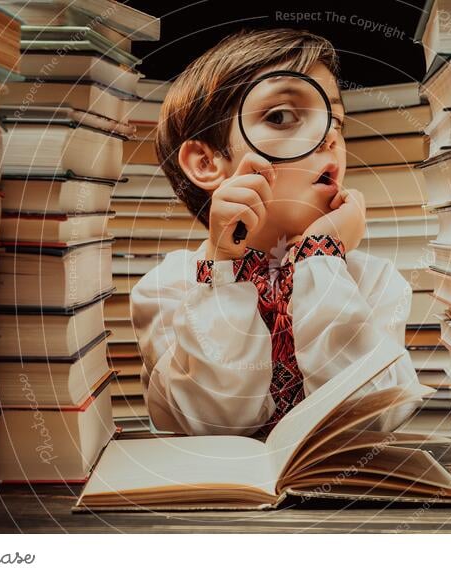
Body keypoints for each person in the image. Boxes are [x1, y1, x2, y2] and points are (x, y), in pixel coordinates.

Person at [130, 28, 432, 437]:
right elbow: (212, 424)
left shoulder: (373, 282)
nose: (329, 136)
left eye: (336, 120)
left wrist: (320, 258)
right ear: (206, 162)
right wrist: (220, 271)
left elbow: (370, 420)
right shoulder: (166, 289)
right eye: (281, 116)